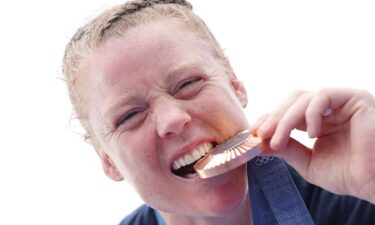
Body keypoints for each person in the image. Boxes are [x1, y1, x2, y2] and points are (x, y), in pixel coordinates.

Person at [62, 0, 375, 224]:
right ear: (108, 161)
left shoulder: (347, 198)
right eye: (130, 115)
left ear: (235, 86)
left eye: (189, 83)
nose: (173, 119)